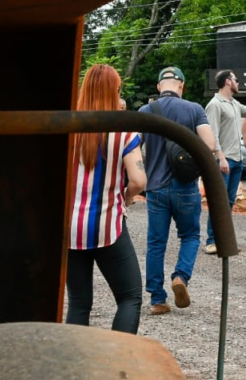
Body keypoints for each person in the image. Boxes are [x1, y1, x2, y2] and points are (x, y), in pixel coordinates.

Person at [66, 64, 146, 333]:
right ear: (114, 91)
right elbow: (139, 181)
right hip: (107, 226)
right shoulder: (124, 131)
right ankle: (118, 363)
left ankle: (73, 366)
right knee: (130, 297)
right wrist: (126, 197)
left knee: (78, 303)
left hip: (70, 229)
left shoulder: (66, 128)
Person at [139, 66, 224, 315]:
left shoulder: (145, 111)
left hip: (155, 187)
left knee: (156, 243)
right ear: (182, 86)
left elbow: (134, 146)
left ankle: (157, 299)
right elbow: (209, 144)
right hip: (185, 186)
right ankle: (180, 277)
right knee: (190, 236)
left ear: (158, 87)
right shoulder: (194, 109)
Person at [204, 69, 246, 255]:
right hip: (224, 161)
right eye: (237, 79)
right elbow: (212, 134)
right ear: (227, 82)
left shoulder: (234, 103)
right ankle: (211, 240)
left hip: (237, 160)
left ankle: (223, 240)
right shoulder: (215, 104)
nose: (238, 82)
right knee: (219, 202)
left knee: (229, 202)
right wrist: (221, 157)